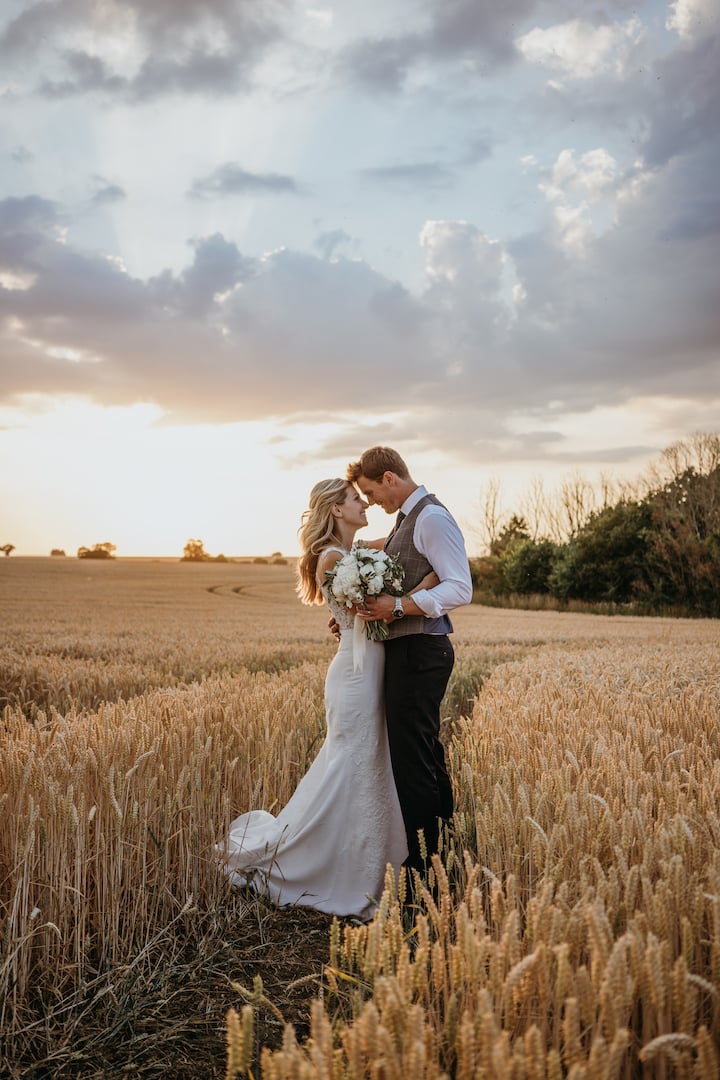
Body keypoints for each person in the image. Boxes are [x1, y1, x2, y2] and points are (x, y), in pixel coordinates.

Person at [216, 478, 433, 921]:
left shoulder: (351, 553)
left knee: (372, 761)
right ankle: (328, 867)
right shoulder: (333, 557)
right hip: (354, 674)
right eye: (357, 499)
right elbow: (372, 608)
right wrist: (431, 582)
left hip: (370, 667)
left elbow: (391, 540)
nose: (365, 504)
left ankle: (373, 864)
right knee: (352, 762)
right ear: (336, 510)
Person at [346, 446, 473, 875]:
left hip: (421, 652)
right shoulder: (407, 520)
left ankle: (424, 869)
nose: (371, 501)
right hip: (413, 651)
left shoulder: (431, 518)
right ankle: (442, 854)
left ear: (389, 478)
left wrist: (398, 607)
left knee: (413, 762)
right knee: (423, 755)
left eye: (370, 491)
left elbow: (460, 587)